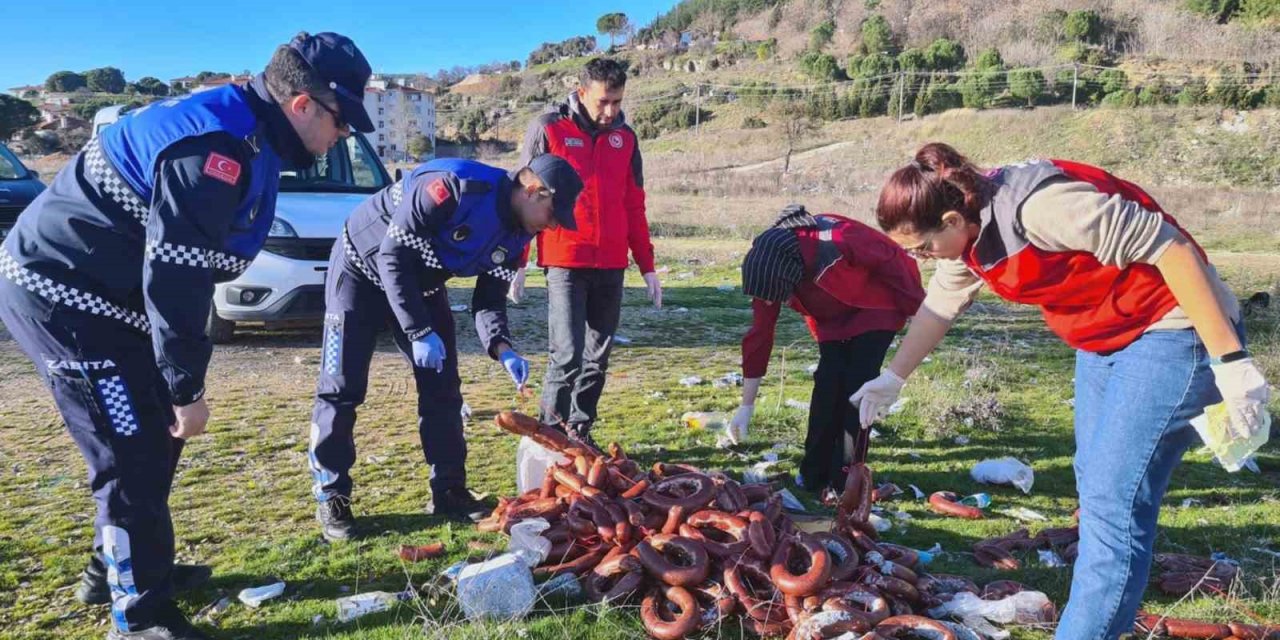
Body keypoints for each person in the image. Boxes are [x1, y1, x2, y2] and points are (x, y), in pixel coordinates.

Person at [0, 32, 373, 640]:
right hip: (63, 299)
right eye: (341, 121)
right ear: (302, 104)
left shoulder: (251, 131)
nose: (344, 136)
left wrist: (174, 388)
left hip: (113, 299)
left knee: (155, 439)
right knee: (131, 454)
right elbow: (177, 277)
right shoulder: (214, 149)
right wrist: (185, 386)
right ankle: (141, 616)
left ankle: (114, 570)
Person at [851, 142, 1271, 640]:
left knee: (1115, 503)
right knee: (1093, 484)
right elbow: (943, 301)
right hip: (1102, 338)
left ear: (949, 218)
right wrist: (894, 376)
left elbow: (1171, 247)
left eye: (920, 247)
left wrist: (1231, 361)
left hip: (1174, 331)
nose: (919, 259)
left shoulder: (1042, 208)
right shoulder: (967, 234)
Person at [307, 154, 583, 541]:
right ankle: (332, 495)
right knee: (341, 388)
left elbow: (489, 299)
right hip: (361, 271)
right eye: (554, 213)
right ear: (534, 190)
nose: (553, 225)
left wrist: (501, 346)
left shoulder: (521, 234)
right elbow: (392, 257)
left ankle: (449, 491)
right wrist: (419, 330)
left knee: (443, 391)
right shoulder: (453, 188)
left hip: (422, 286)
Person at [516, 57, 661, 447]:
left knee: (598, 358)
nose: (610, 111)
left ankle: (579, 430)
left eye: (617, 102)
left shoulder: (626, 139)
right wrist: (519, 261)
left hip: (612, 264)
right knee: (567, 354)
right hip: (565, 260)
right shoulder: (548, 128)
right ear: (582, 93)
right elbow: (523, 198)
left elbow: (634, 205)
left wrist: (647, 266)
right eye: (603, 102)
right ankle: (548, 436)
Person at [730, 205, 924, 496]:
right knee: (827, 382)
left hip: (875, 310)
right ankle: (812, 474)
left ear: (794, 277)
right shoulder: (766, 267)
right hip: (831, 319)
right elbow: (760, 336)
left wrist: (917, 310)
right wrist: (746, 406)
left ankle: (847, 476)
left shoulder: (839, 238)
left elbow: (895, 260)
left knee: (858, 387)